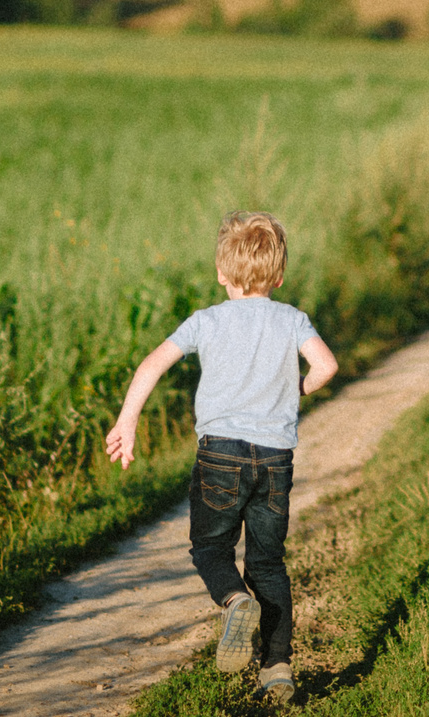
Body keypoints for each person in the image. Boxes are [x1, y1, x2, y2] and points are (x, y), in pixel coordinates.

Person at [108, 210, 338, 707]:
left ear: (220, 272)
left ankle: (234, 601)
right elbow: (327, 365)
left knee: (210, 548)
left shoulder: (206, 321)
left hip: (220, 455)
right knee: (268, 563)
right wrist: (296, 390)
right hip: (275, 459)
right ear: (279, 276)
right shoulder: (291, 319)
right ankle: (277, 667)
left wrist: (127, 422)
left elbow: (151, 365)